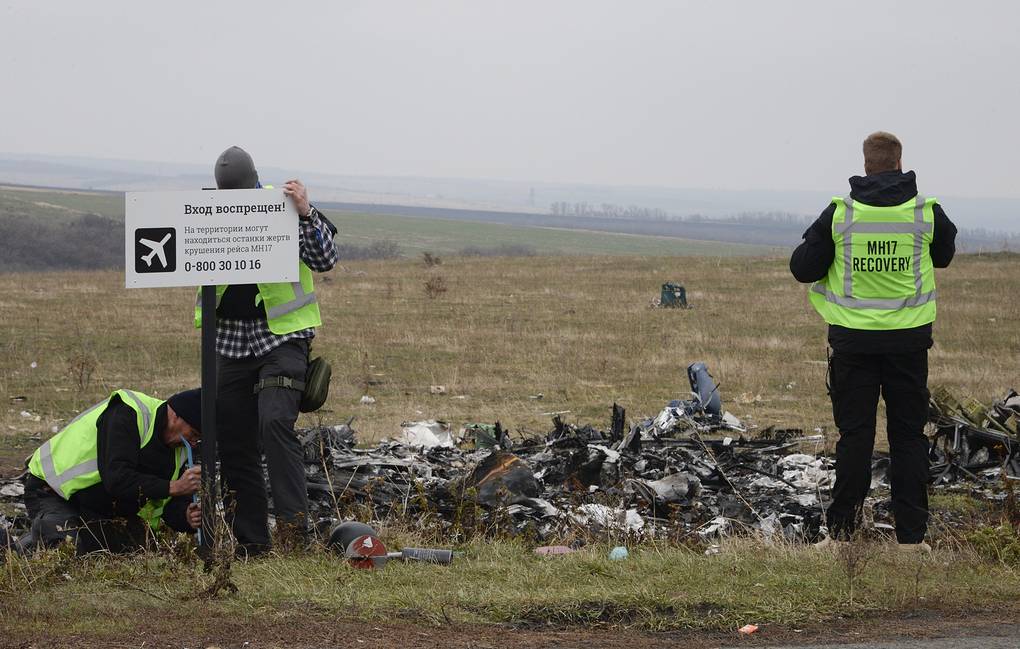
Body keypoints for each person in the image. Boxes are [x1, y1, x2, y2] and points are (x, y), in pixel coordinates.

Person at [790, 131, 957, 550]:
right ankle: (912, 543)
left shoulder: (841, 214)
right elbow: (944, 256)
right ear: (900, 164)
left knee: (856, 438)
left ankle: (843, 537)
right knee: (908, 438)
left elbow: (803, 268)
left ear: (865, 166)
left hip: (853, 346)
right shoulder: (926, 212)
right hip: (908, 346)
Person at [198, 146, 338, 556]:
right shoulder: (208, 212)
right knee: (235, 439)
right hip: (228, 340)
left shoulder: (284, 208)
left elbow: (325, 258)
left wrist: (307, 212)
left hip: (281, 337)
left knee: (275, 424)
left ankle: (295, 536)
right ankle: (252, 542)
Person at [18, 388, 203, 555]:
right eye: (193, 433)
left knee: (139, 555)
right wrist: (174, 486)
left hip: (99, 508)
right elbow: (118, 479)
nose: (194, 443)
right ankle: (15, 550)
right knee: (68, 551)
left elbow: (166, 502)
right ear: (175, 416)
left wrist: (186, 515)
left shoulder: (179, 450)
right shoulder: (128, 412)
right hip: (53, 491)